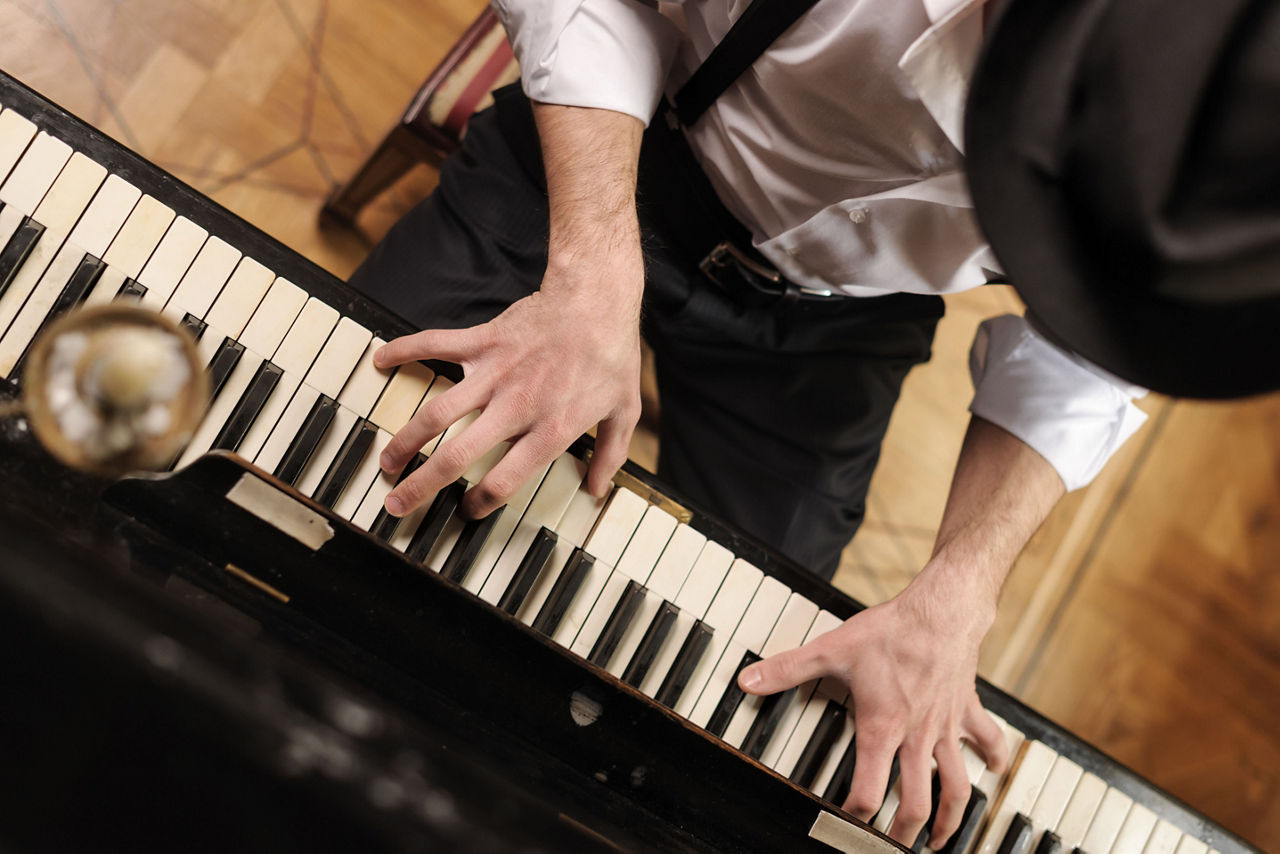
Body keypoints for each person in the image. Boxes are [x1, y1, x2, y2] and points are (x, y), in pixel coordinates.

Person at [348, 0, 1280, 848]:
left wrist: (964, 584)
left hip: (842, 320)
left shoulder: (1229, 155)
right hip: (615, 150)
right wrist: (593, 269)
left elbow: (1085, 353)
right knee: (362, 474)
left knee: (732, 675)